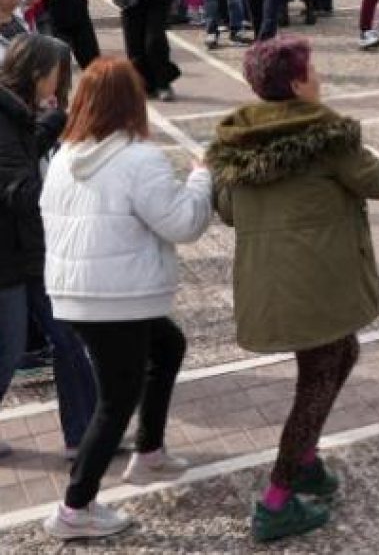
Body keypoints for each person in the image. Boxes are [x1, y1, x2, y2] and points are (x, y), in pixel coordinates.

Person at [207, 37, 379, 543]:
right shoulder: (328, 135)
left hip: (272, 284)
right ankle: (276, 499)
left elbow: (227, 211)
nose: (320, 79)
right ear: (295, 83)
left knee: (342, 353)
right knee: (315, 381)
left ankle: (306, 459)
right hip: (314, 284)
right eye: (312, 72)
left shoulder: (238, 137)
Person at [40, 58, 212, 541]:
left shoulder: (65, 154)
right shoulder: (139, 158)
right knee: (116, 401)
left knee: (168, 346)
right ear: (132, 102)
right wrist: (201, 178)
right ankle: (75, 508)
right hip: (118, 295)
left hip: (77, 291)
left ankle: (150, 451)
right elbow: (184, 224)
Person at [0, 34, 96, 466]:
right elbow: (18, 190)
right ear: (36, 73)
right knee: (9, 348)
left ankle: (86, 434)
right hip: (7, 256)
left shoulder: (18, 113)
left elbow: (22, 158)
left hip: (31, 248)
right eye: (58, 74)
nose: (61, 83)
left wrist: (52, 125)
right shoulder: (3, 118)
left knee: (68, 338)